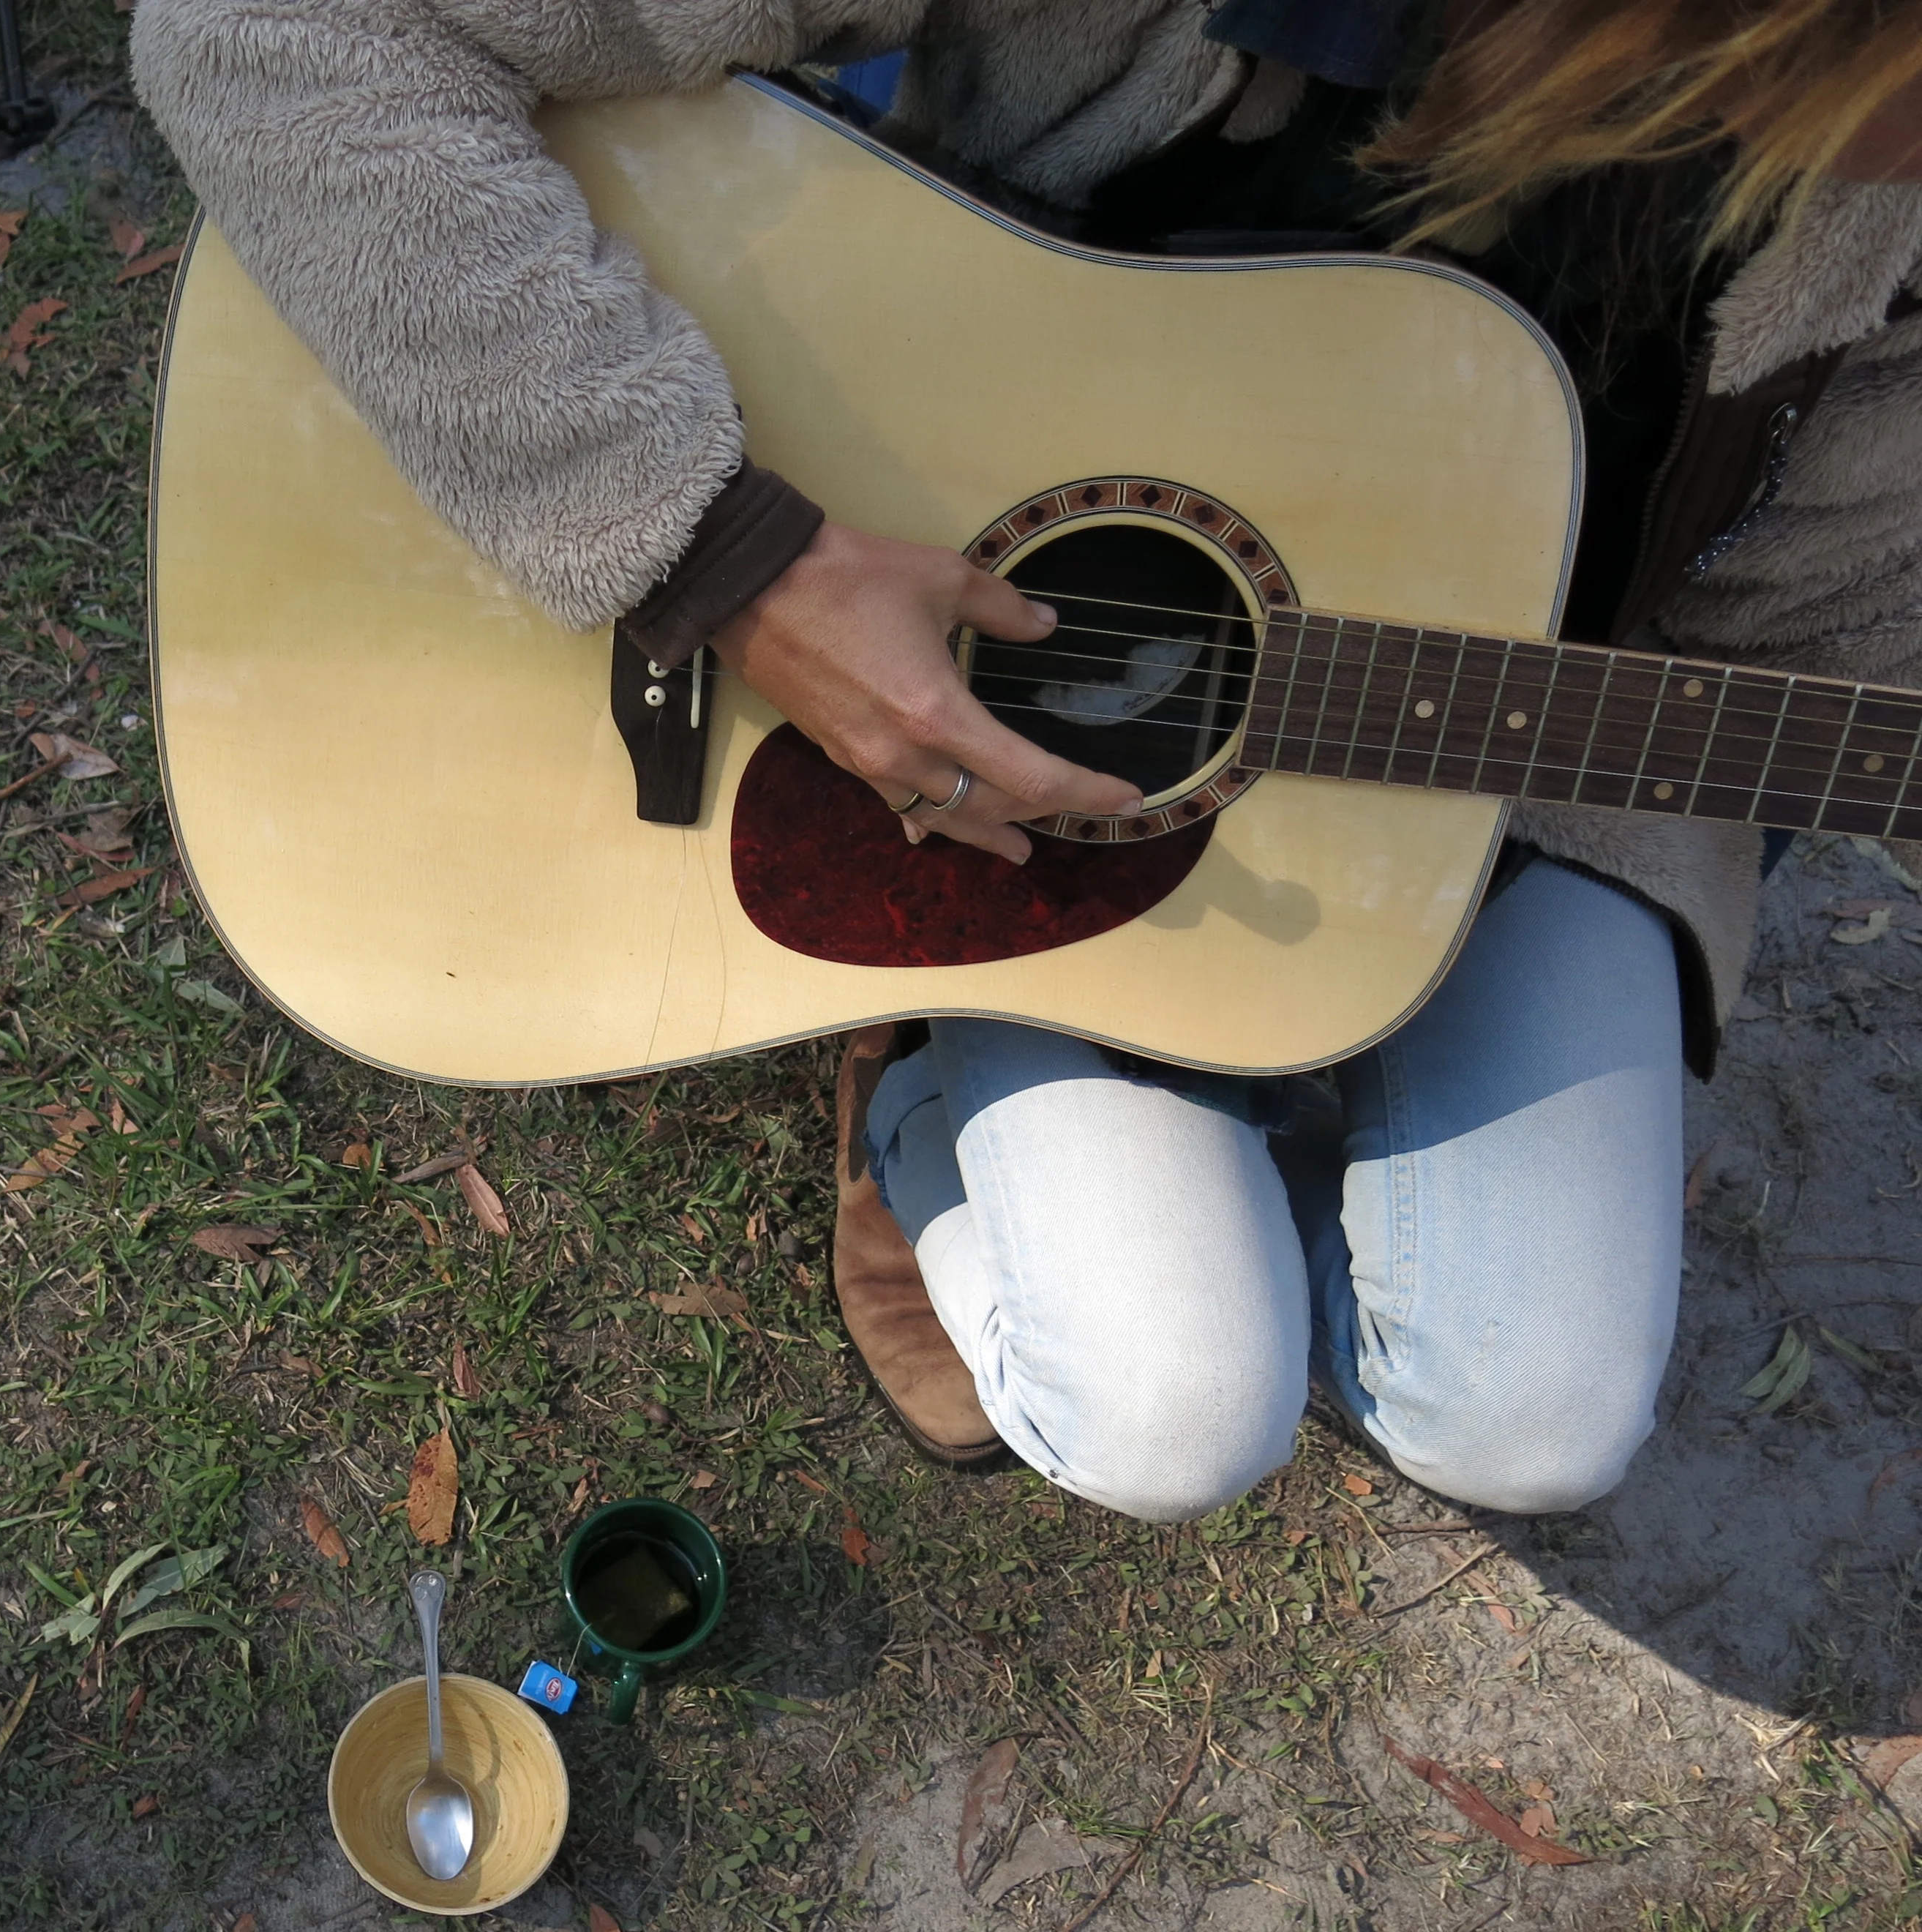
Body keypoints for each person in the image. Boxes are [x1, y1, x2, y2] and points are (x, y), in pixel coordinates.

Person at [132, 0, 1922, 1522]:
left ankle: (1213, 1064)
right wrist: (720, 558)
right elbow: (270, 34)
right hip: (964, 699)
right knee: (1166, 1416)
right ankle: (913, 1078)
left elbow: (1823, 612)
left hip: (1544, 717)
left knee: (1526, 1423)